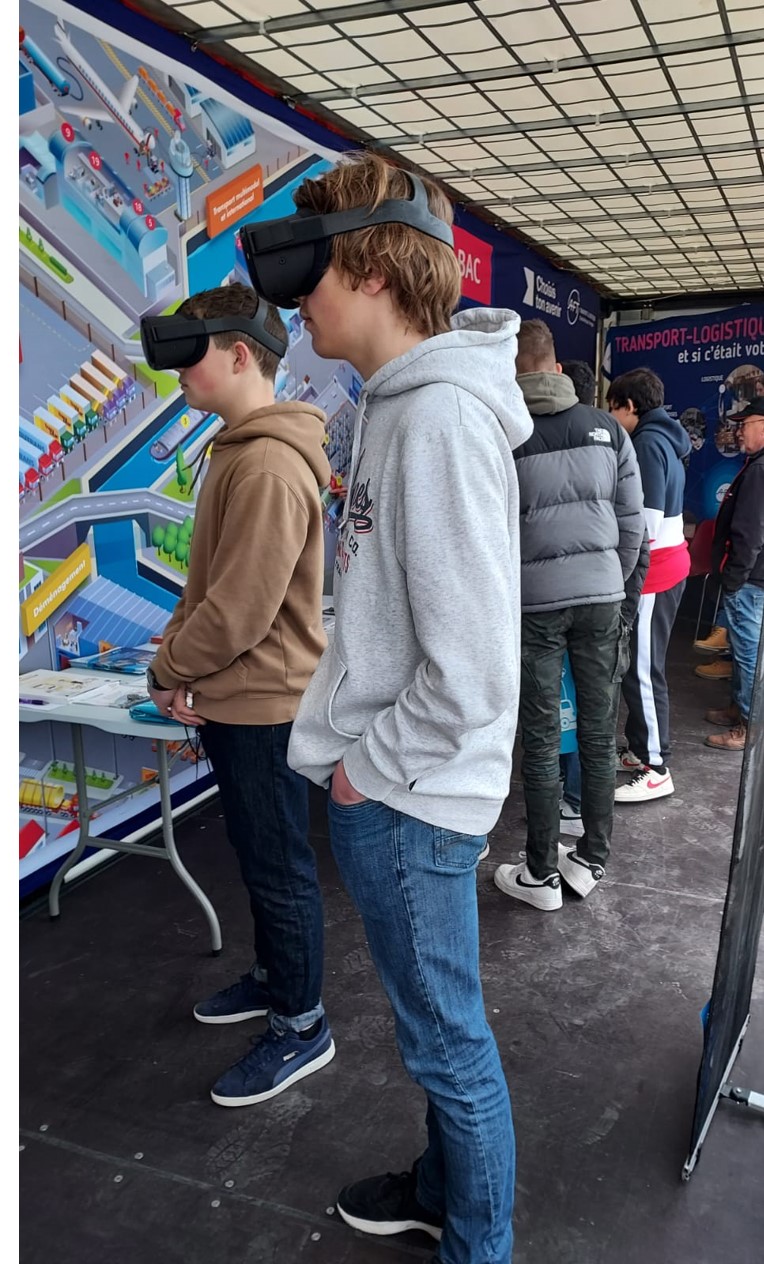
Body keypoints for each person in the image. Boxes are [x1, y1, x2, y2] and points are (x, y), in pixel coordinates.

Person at [256, 154, 522, 1259]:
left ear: (366, 267)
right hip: (399, 786)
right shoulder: (399, 412)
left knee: (449, 1045)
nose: (295, 300)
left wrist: (366, 768)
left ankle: (478, 1241)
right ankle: (441, 1191)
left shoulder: (439, 423)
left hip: (409, 796)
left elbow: (471, 672)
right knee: (432, 1036)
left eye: (308, 270)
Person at [132, 283, 336, 1105]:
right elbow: (208, 588)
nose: (178, 373)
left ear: (241, 354)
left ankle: (303, 1025)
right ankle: (274, 979)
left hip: (267, 706)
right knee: (261, 860)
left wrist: (172, 669)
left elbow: (241, 609)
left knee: (280, 866)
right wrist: (185, 671)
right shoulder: (241, 450)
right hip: (239, 697)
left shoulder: (267, 462)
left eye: (193, 353)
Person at [496, 318, 643, 911]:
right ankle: (591, 861)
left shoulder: (504, 435)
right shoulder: (608, 428)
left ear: (513, 371)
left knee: (538, 735)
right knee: (597, 728)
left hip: (535, 606)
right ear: (557, 368)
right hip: (602, 599)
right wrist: (611, 578)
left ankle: (539, 873)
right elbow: (632, 524)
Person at [608, 368, 690, 802]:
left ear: (630, 406)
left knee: (642, 669)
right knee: (642, 665)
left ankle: (657, 766)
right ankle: (643, 750)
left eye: (613, 406)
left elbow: (647, 525)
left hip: (654, 572)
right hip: (669, 565)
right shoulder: (667, 438)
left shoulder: (647, 444)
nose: (609, 414)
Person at [713, 404, 764, 751]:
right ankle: (738, 710)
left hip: (749, 581)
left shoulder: (759, 471)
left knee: (747, 652)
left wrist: (734, 578)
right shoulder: (755, 466)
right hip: (749, 579)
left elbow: (750, 533)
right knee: (742, 649)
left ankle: (748, 726)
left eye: (745, 424)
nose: (739, 431)